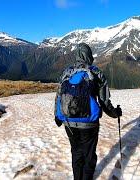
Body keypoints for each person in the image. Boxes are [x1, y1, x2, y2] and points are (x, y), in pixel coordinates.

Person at [54, 43, 122, 180]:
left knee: (76, 153)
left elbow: (58, 96)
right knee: (89, 155)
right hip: (89, 123)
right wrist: (115, 113)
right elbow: (104, 101)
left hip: (69, 122)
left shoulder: (66, 72)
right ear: (89, 55)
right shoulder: (96, 72)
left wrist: (57, 116)